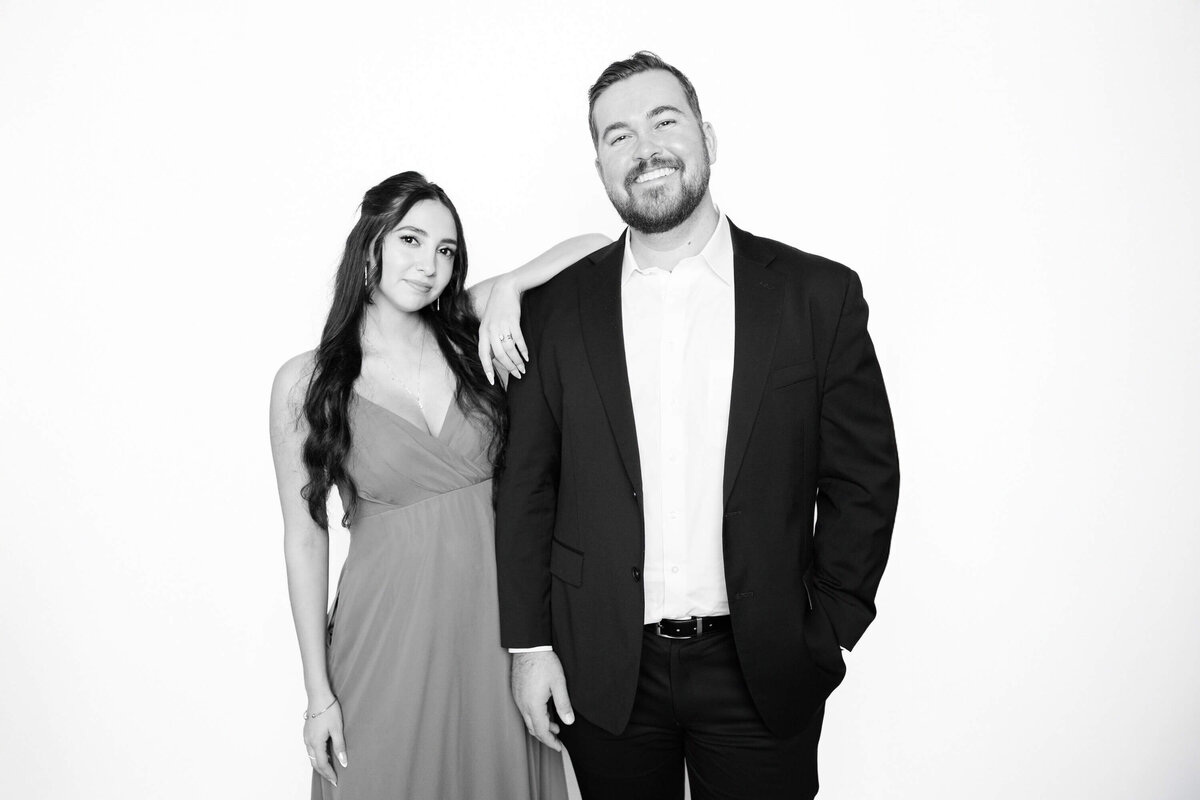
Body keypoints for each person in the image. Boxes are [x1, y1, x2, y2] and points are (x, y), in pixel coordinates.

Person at [495, 52, 901, 799]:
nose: (643, 147)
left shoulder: (817, 296)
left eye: (663, 120)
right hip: (603, 669)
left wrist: (829, 628)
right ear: (599, 166)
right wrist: (531, 647)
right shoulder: (555, 312)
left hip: (763, 665)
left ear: (707, 138)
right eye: (617, 136)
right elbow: (526, 487)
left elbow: (864, 479)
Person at [269, 171, 607, 799]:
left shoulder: (469, 328)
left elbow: (597, 245)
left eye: (446, 250)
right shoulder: (306, 381)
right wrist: (318, 695)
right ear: (369, 245)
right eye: (411, 240)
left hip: (499, 625)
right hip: (387, 629)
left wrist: (510, 287)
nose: (429, 265)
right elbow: (305, 539)